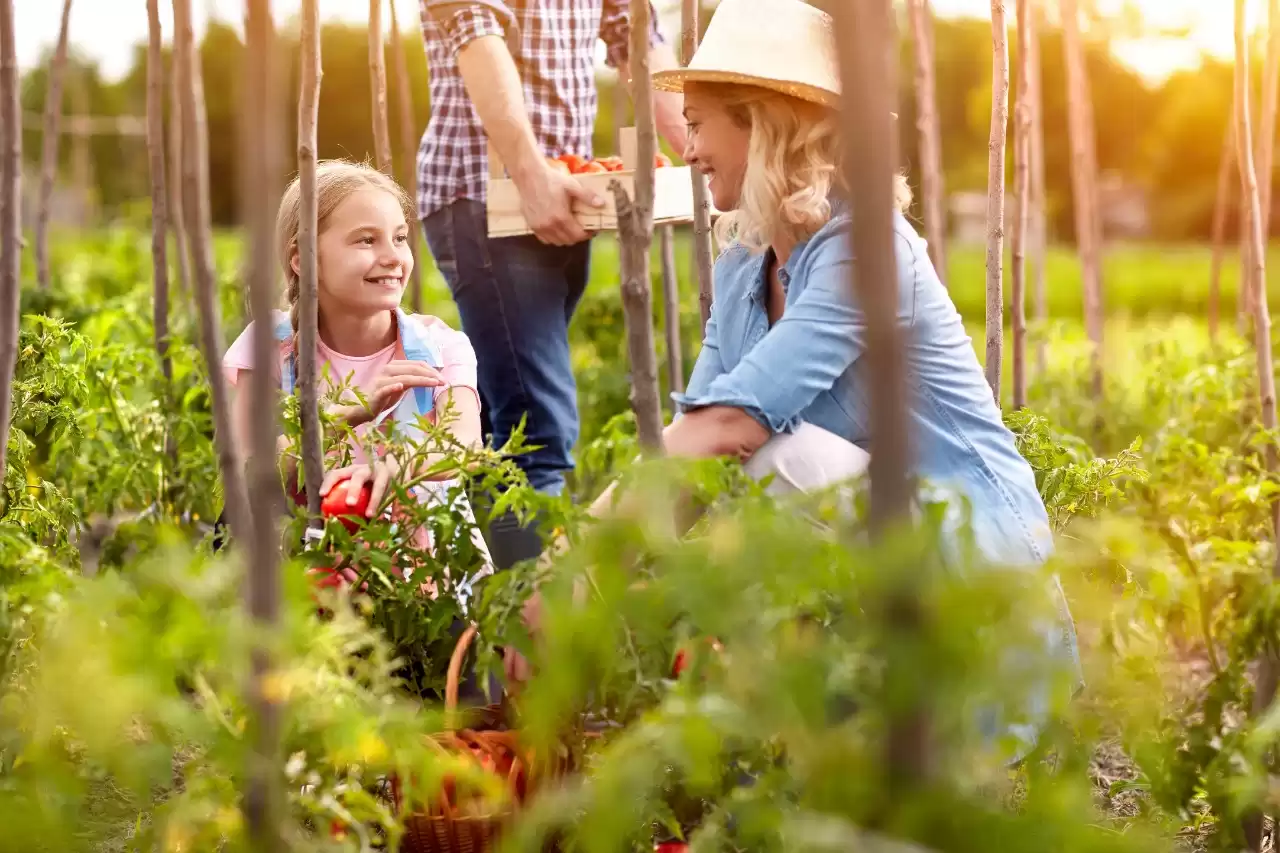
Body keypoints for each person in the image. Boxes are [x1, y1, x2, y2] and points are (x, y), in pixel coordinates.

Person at [524, 0, 1083, 756]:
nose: (687, 149)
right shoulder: (743, 267)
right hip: (875, 539)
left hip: (969, 561)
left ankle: (916, 709)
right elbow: (691, 448)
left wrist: (580, 555)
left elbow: (728, 427)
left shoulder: (868, 251)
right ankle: (802, 714)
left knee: (770, 460)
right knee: (718, 507)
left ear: (760, 123)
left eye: (698, 123)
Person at [414, 0, 690, 568]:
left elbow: (637, 35)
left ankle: (473, 596)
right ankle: (537, 634)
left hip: (563, 193)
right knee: (536, 433)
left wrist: (700, 147)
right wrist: (530, 171)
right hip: (489, 196)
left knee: (500, 419)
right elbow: (476, 32)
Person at [222, 159, 494, 592]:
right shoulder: (271, 349)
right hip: (304, 570)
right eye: (366, 240)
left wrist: (398, 467)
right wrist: (350, 412)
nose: (392, 257)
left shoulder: (438, 347)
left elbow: (466, 445)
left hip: (421, 574)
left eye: (400, 238)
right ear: (302, 259)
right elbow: (250, 469)